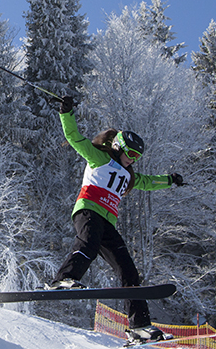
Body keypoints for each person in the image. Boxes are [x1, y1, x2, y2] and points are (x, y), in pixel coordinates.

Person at [46, 96, 185, 344]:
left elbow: (148, 182)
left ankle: (140, 325)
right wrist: (66, 113)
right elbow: (74, 138)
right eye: (130, 153)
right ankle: (63, 279)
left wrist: (170, 179)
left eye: (137, 157)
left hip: (107, 222)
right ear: (119, 147)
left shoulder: (128, 177)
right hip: (88, 210)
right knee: (87, 242)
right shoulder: (100, 158)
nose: (133, 159)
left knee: (127, 269)